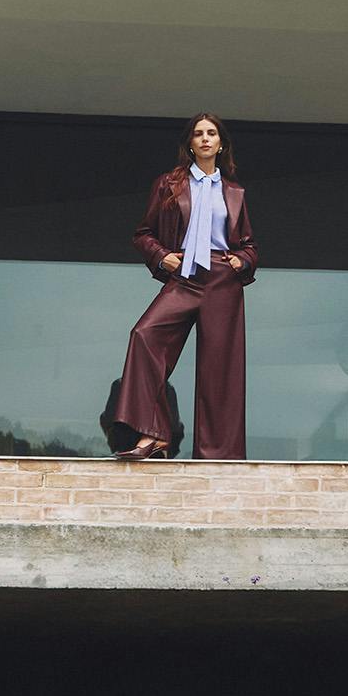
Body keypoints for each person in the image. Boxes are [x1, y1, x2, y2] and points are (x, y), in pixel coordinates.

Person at [112, 112, 258, 460]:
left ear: (221, 144)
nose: (205, 138)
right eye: (198, 134)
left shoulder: (234, 192)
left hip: (222, 279)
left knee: (218, 368)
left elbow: (249, 245)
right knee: (144, 336)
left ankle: (218, 456)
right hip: (185, 275)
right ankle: (153, 432)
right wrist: (163, 257)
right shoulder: (169, 184)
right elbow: (143, 234)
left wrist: (242, 261)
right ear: (190, 144)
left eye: (211, 133)